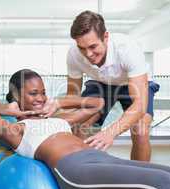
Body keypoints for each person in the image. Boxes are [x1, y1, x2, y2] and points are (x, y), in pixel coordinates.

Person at [0, 69, 170, 189]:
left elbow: (97, 103)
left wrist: (57, 102)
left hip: (104, 158)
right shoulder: (17, 131)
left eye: (43, 92)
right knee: (166, 185)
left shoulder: (58, 120)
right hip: (75, 171)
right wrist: (10, 109)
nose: (40, 98)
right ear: (16, 96)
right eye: (33, 93)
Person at [44, 10, 160, 161]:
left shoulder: (127, 49)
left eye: (93, 47)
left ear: (105, 37)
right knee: (81, 124)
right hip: (101, 82)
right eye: (82, 48)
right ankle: (81, 170)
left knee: (141, 128)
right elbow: (73, 96)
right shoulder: (73, 54)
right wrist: (59, 113)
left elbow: (140, 105)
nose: (88, 54)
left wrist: (110, 133)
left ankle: (141, 178)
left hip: (133, 83)